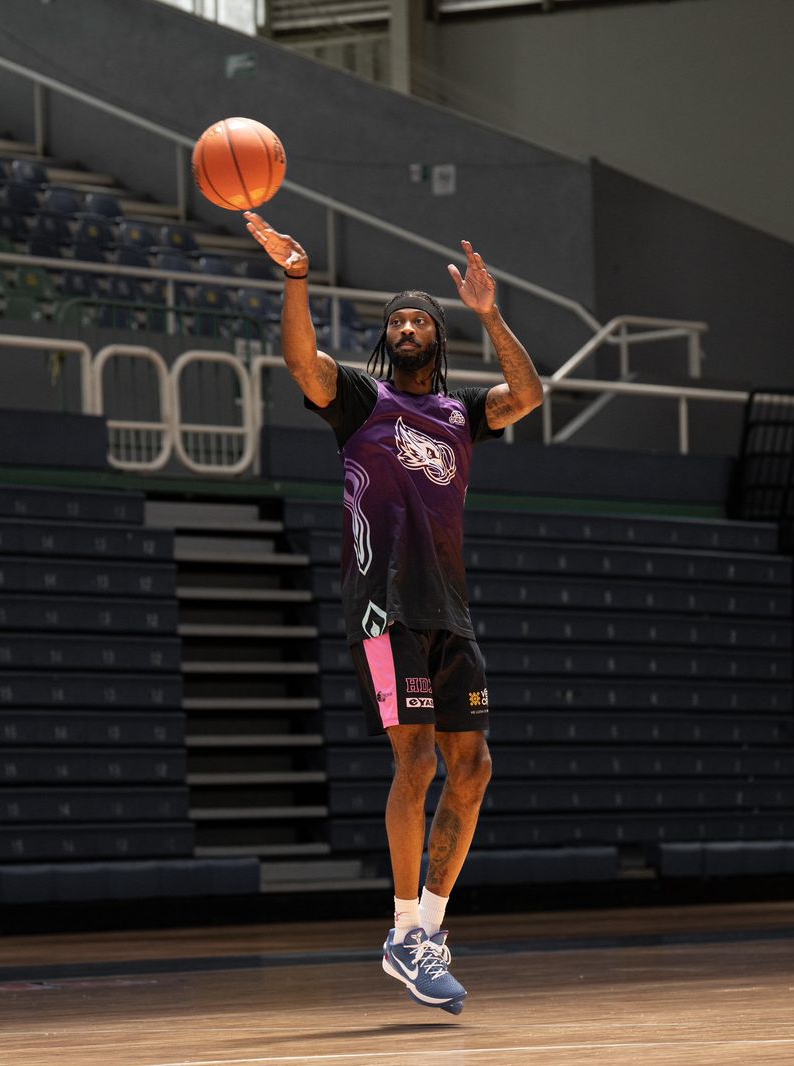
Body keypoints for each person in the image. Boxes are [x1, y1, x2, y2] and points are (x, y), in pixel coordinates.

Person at [246, 211, 543, 1014]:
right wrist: (298, 278)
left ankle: (430, 931)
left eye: (420, 320)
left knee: (473, 769)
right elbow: (302, 361)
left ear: (438, 338)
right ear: (386, 339)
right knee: (415, 762)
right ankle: (404, 927)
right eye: (396, 321)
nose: (407, 327)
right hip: (382, 610)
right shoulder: (359, 401)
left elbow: (528, 395)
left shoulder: (462, 416)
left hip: (450, 612)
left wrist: (490, 314)